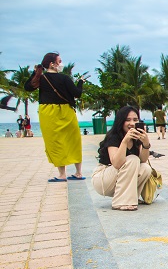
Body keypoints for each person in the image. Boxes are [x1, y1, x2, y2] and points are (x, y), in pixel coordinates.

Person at [24, 52, 85, 182]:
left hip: (48, 112)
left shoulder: (41, 78)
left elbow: (27, 87)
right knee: (73, 140)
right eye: (59, 61)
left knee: (55, 142)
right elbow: (77, 94)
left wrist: (35, 73)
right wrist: (80, 82)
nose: (61, 63)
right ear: (52, 64)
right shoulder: (65, 78)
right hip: (66, 111)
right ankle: (78, 172)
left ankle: (62, 174)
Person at [91, 106, 152, 211]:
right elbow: (117, 164)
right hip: (103, 178)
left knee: (145, 168)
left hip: (118, 177)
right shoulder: (113, 137)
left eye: (135, 120)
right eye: (127, 120)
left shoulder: (136, 138)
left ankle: (131, 198)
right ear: (120, 121)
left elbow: (143, 160)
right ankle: (120, 202)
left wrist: (146, 144)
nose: (132, 123)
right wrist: (124, 141)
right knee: (132, 159)